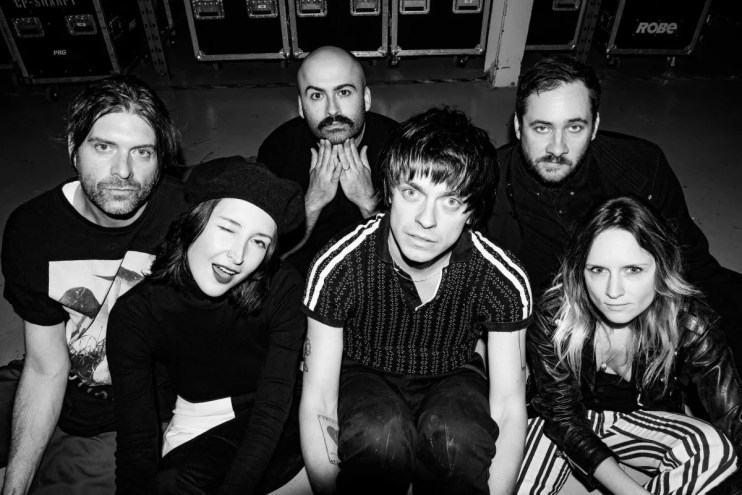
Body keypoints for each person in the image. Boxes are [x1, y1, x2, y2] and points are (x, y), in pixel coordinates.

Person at [300, 107, 532, 495]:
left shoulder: (500, 277)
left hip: (454, 371)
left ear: (472, 210)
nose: (426, 220)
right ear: (389, 191)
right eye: (412, 193)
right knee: (379, 438)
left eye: (451, 201)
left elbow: (509, 405)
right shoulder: (340, 266)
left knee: (456, 438)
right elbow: (318, 401)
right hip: (364, 370)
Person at [486, 55, 742, 370]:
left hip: (643, 314)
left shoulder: (641, 169)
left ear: (594, 126)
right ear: (517, 126)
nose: (557, 147)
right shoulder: (489, 185)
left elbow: (689, 263)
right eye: (541, 128)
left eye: (574, 127)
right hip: (552, 336)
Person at [0, 76, 186, 494]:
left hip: (137, 405)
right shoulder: (32, 230)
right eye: (104, 147)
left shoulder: (184, 215)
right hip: (66, 371)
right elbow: (45, 366)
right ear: (74, 147)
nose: (123, 172)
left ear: (160, 160)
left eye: (142, 152)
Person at [107, 156, 307, 494]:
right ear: (193, 222)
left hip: (282, 409)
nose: (237, 256)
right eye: (228, 229)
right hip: (197, 413)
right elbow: (136, 439)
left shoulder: (281, 288)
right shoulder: (135, 314)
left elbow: (272, 410)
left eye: (259, 241)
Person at [516, 196, 742, 495]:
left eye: (633, 269)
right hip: (563, 424)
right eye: (597, 270)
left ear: (662, 267)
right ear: (579, 269)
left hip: (642, 420)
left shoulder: (691, 324)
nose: (613, 291)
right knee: (514, 482)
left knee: (714, 450)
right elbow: (562, 417)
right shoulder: (554, 316)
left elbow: (733, 418)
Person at [258, 45, 399, 275]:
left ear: (365, 98)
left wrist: (368, 203)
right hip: (305, 277)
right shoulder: (278, 150)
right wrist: (312, 202)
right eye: (317, 95)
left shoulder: (399, 146)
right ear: (301, 107)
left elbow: (414, 256)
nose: (332, 109)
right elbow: (265, 257)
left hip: (380, 273)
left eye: (344, 92)